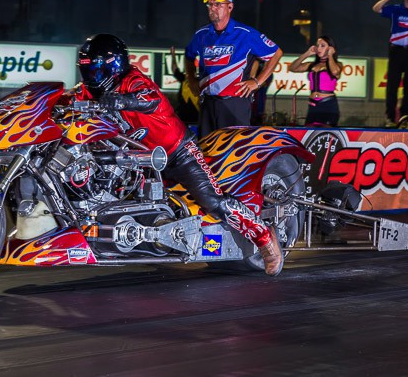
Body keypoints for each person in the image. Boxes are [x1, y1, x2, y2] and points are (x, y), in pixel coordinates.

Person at [77, 34, 284, 276]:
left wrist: (120, 101)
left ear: (113, 64)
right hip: (141, 162)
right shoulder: (89, 91)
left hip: (178, 153)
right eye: (86, 69)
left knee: (212, 200)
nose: (91, 75)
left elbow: (148, 97)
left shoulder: (133, 80)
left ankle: (264, 238)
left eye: (95, 69)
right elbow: (68, 99)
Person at [185, 0, 283, 138]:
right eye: (210, 4)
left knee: (234, 148)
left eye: (218, 4)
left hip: (235, 104)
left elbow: (276, 53)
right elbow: (189, 55)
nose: (212, 8)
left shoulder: (246, 34)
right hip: (207, 103)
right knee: (206, 148)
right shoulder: (201, 34)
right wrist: (191, 78)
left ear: (230, 7)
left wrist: (257, 82)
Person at [288, 36, 342, 126]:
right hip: (313, 105)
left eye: (322, 46)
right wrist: (307, 54)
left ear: (330, 48)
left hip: (328, 105)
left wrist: (330, 55)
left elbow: (335, 71)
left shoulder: (337, 65)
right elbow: (292, 68)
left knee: (326, 132)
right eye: (317, 45)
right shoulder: (312, 65)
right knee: (309, 131)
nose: (319, 48)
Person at [168, 46, 199, 124]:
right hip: (182, 118)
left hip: (197, 117)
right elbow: (175, 70)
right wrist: (173, 56)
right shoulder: (184, 79)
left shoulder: (200, 80)